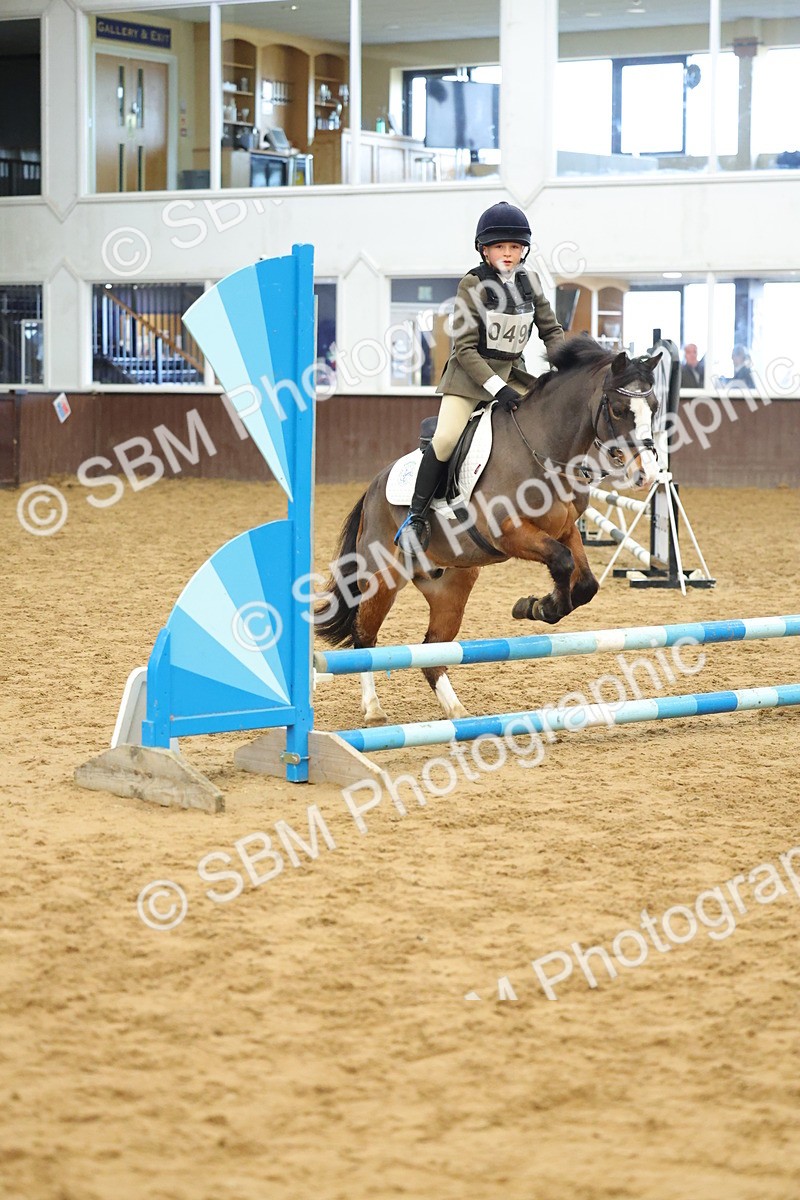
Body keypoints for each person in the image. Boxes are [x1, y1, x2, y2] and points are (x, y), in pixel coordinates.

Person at [395, 201, 565, 554]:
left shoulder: (529, 283)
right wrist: (498, 389)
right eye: (500, 247)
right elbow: (465, 349)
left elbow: (551, 331)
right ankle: (416, 518)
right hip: (470, 378)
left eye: (515, 247)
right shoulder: (472, 284)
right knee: (446, 438)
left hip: (513, 373)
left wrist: (565, 367)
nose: (508, 253)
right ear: (484, 250)